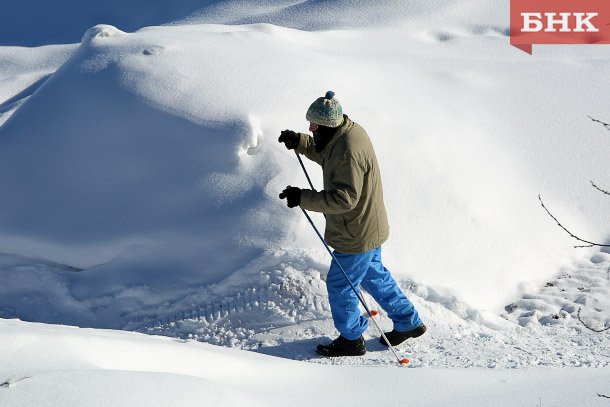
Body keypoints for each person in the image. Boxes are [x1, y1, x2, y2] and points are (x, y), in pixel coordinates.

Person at [278, 91, 426, 357]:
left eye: (314, 126)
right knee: (373, 275)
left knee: (340, 284)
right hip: (369, 225)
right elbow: (328, 154)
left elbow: (345, 198)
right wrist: (300, 142)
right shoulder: (348, 132)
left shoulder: (347, 150)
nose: (310, 128)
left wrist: (303, 197)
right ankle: (409, 321)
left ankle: (351, 339)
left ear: (328, 125)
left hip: (355, 232)